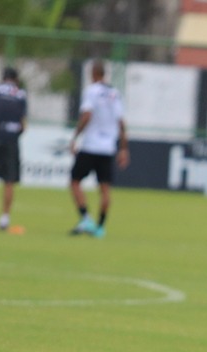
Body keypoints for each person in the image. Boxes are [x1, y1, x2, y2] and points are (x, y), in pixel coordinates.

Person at [69, 60, 129, 238]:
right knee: (105, 189)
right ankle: (101, 227)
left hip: (90, 146)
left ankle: (86, 218)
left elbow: (87, 114)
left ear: (92, 74)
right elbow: (122, 123)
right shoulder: (115, 93)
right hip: (108, 147)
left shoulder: (92, 91)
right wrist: (124, 149)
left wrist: (75, 137)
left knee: (75, 181)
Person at [0, 67, 27, 231]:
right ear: (16, 79)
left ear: (3, 78)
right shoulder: (21, 94)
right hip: (11, 140)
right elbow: (23, 123)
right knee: (9, 181)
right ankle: (4, 219)